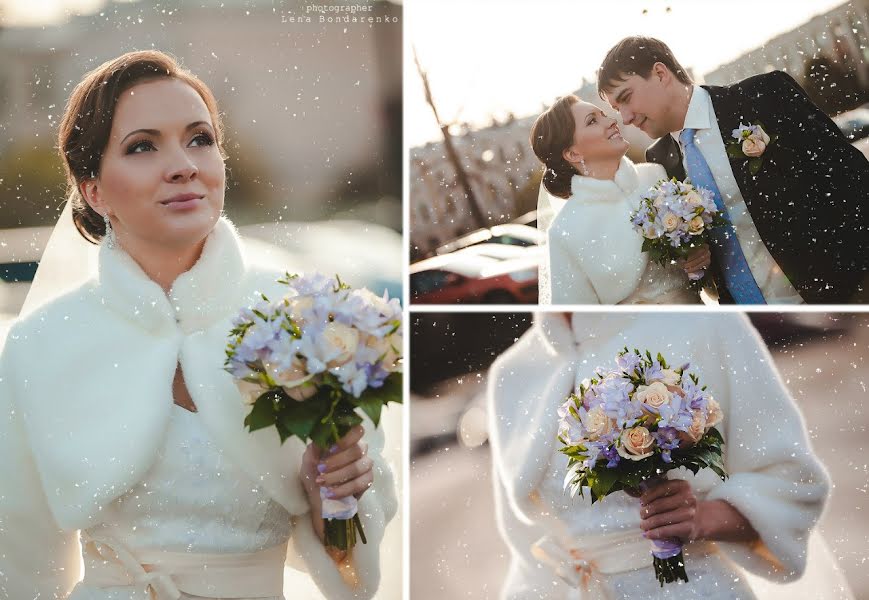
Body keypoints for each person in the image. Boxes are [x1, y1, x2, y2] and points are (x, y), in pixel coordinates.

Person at [0, 50, 396, 600]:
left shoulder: (308, 317)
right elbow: (20, 566)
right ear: (93, 191)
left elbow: (360, 568)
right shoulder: (39, 345)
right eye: (142, 146)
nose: (184, 164)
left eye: (200, 139)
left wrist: (326, 496)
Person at [487, 312, 851, 599]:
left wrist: (702, 518)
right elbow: (527, 549)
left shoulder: (706, 324)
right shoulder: (511, 374)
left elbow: (791, 481)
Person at [598, 36, 869, 304]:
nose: (625, 118)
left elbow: (851, 177)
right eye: (616, 109)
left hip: (839, 297)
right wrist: (693, 261)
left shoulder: (763, 97)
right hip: (756, 327)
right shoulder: (660, 162)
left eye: (626, 98)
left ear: (660, 73)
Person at [530, 95, 710, 305]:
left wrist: (700, 259)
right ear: (573, 153)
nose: (611, 121)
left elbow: (700, 263)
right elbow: (578, 323)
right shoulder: (564, 230)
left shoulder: (656, 176)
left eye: (604, 114)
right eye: (592, 121)